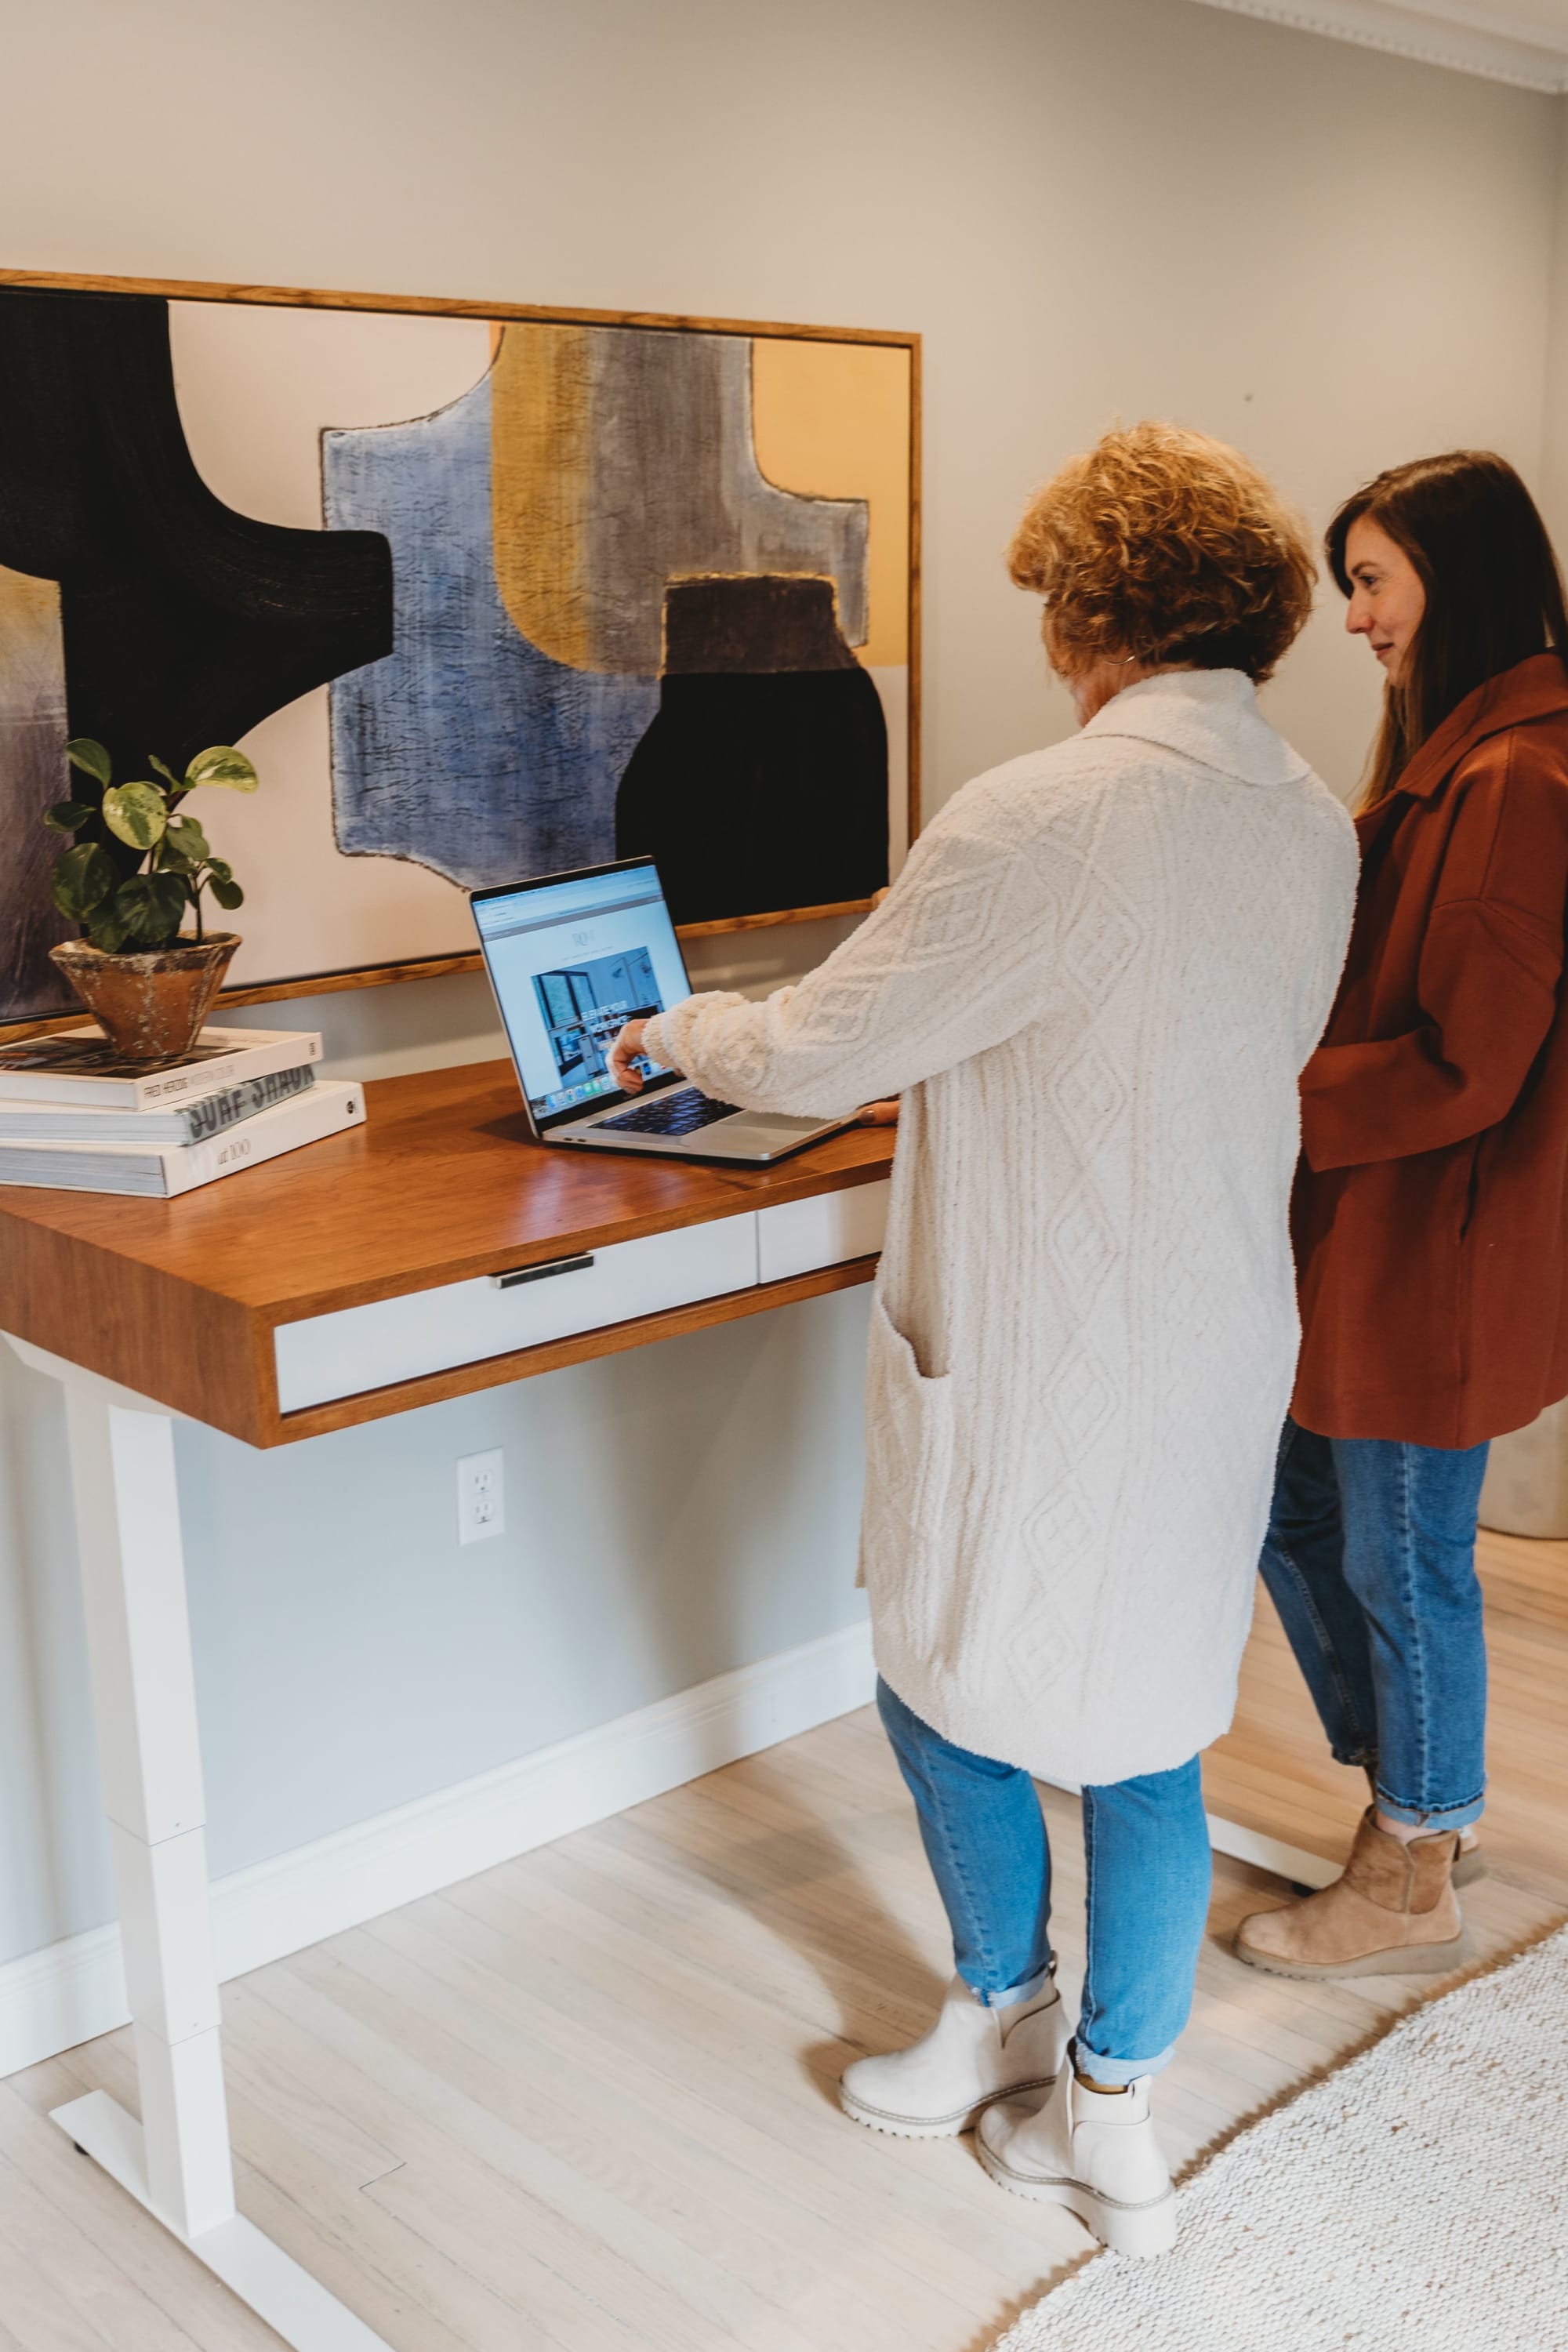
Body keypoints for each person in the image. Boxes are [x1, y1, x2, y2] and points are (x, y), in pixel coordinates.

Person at [610, 423, 1356, 2256]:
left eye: (1050, 604)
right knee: (1152, 1731)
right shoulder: (1309, 815)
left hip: (1050, 1346)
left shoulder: (1040, 816)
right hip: (1214, 1328)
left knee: (940, 1681)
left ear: (1089, 619)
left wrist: (673, 1034)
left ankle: (1000, 1998)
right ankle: (1103, 2107)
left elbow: (822, 1048)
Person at [1236, 453, 1568, 1978]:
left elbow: (1467, 1064)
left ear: (1459, 574)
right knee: (1298, 1512)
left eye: (1372, 580)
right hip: (1380, 1234)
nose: (1353, 616)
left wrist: (1262, 1089)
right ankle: (1419, 1801)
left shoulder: (1514, 778)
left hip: (1427, 1247)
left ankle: (1413, 1857)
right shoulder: (1459, 759)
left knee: (1400, 1555)